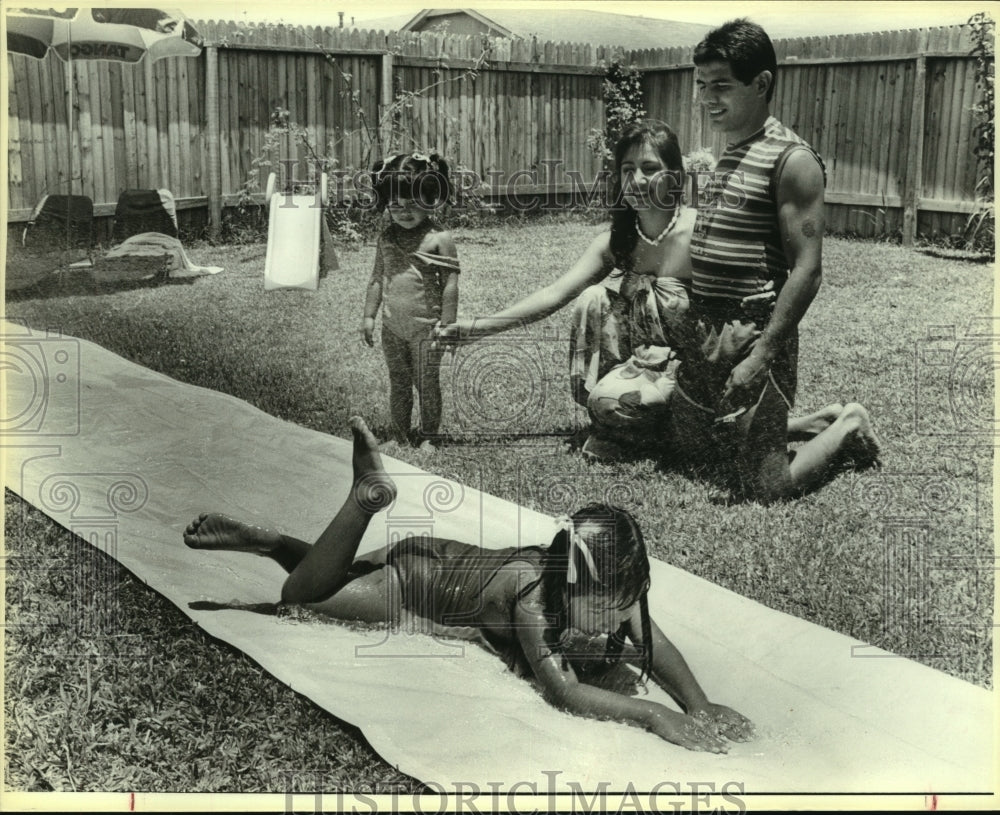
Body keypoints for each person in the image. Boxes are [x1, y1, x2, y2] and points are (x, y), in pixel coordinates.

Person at [184, 416, 755, 753]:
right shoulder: (534, 600)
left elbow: (656, 643)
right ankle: (359, 502)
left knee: (331, 579)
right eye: (605, 612)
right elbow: (565, 692)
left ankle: (280, 544)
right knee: (303, 601)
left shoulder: (609, 584)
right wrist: (653, 715)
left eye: (621, 611)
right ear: (572, 583)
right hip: (414, 584)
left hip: (437, 556)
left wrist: (699, 705)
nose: (615, 625)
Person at [434, 120, 875, 495]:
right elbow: (554, 294)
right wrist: (474, 327)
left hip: (704, 365)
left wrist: (758, 357)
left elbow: (765, 282)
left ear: (677, 176)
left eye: (650, 168)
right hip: (649, 367)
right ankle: (810, 422)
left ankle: (829, 425)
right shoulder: (616, 242)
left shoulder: (701, 233)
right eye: (628, 170)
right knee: (599, 329)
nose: (638, 181)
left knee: (712, 455)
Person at [676, 18, 880, 501]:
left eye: (721, 85)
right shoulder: (730, 154)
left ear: (761, 83)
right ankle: (814, 420)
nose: (708, 98)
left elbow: (808, 270)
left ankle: (847, 424)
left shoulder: (792, 160)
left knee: (767, 485)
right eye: (702, 85)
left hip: (753, 333)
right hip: (708, 330)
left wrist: (762, 355)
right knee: (692, 449)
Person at [362, 152, 460, 449]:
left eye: (414, 203)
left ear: (431, 198)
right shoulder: (386, 237)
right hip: (392, 328)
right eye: (396, 204)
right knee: (399, 383)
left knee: (427, 384)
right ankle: (399, 435)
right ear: (385, 204)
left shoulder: (439, 238)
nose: (404, 211)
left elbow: (451, 283)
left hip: (426, 330)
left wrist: (448, 324)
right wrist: (369, 316)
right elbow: (377, 277)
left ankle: (430, 435)